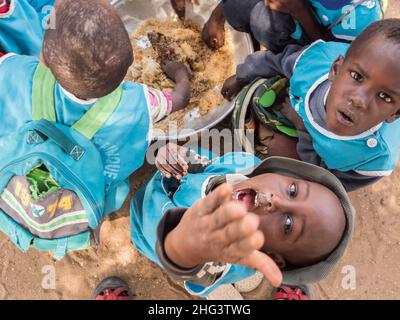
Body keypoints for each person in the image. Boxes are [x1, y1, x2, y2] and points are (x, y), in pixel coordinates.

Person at [0, 0, 191, 212]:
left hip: (25, 178)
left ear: (43, 57)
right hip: (86, 190)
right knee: (115, 190)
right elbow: (180, 99)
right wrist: (181, 74)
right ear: (128, 66)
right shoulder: (141, 101)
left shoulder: (13, 71)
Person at [130, 143, 354, 298]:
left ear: (274, 256)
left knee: (140, 213)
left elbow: (182, 259)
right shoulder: (245, 166)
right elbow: (205, 165)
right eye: (293, 190)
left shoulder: (218, 256)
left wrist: (183, 247)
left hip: (147, 224)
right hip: (166, 182)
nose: (275, 201)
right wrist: (174, 156)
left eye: (288, 225)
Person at [221, 19, 400, 192]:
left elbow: (330, 185)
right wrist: (242, 75)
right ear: (336, 68)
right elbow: (277, 60)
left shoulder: (374, 159)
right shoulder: (314, 64)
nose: (359, 101)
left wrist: (302, 131)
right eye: (357, 76)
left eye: (384, 96)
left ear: (395, 113)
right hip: (300, 104)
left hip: (313, 154)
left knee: (277, 151)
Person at [194, 0, 386, 51]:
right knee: (235, 7)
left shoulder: (361, 18)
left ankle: (281, 54)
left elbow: (330, 53)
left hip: (316, 36)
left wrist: (298, 10)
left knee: (265, 23)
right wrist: (215, 18)